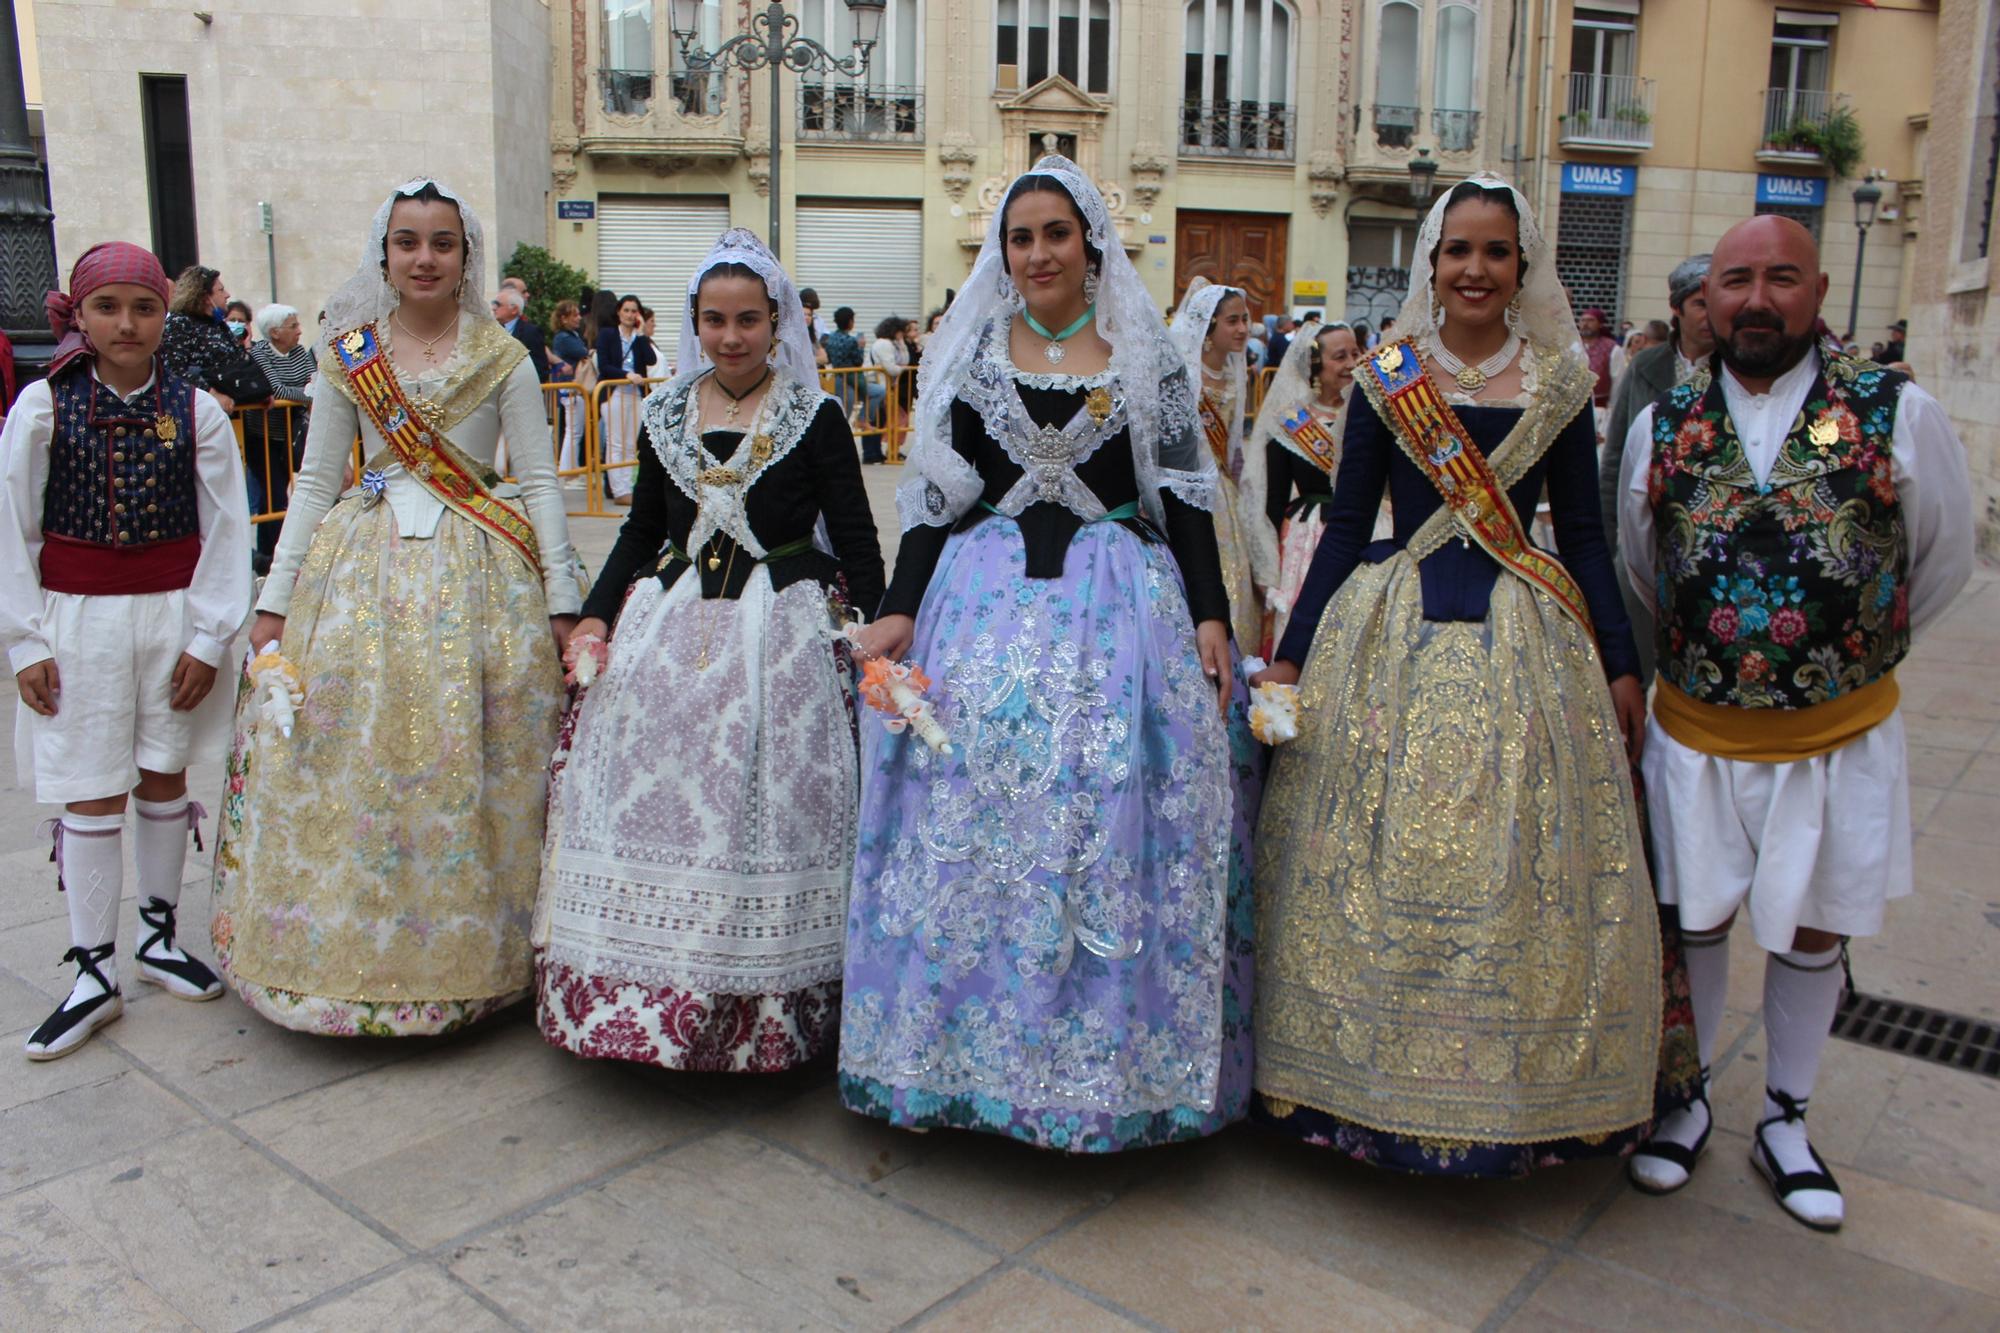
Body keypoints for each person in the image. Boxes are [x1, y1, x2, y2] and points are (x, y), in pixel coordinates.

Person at [1249, 174, 1666, 1178]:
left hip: (1526, 641)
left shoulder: (1560, 382)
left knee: (1515, 867)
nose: (1473, 269)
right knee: (1366, 862)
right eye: (1455, 252)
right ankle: (1351, 1091)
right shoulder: (1389, 375)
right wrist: (1292, 658)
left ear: (1519, 268)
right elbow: (1346, 529)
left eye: (1493, 252)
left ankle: (1518, 1099)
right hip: (1386, 636)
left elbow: (1589, 542)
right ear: (1429, 268)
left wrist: (1616, 660)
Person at [840, 155, 1258, 1152]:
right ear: (1002, 250)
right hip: (977, 609)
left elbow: (1185, 495)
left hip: (1117, 617)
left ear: (1090, 243)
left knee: (1100, 820)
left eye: (1054, 234)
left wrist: (1208, 613)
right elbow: (935, 503)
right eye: (1019, 237)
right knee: (969, 813)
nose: (1036, 253)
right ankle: (954, 1057)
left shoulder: (1144, 359)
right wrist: (898, 610)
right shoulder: (971, 356)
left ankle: (1101, 1067)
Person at [1619, 216, 1974, 1230]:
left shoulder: (1891, 409)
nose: (1755, 300)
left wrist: (1844, 644)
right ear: (1709, 297)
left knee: (1814, 926)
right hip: (1695, 732)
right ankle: (1684, 1100)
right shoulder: (1666, 419)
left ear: (1817, 291)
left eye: (1780, 278)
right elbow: (1647, 572)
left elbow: (1938, 557)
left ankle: (1785, 1115)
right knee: (1696, 915)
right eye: (1735, 280)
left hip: (1836, 735)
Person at [209, 178, 584, 1037]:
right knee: (351, 753)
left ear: (466, 257)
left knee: (475, 758)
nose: (425, 257)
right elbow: (314, 480)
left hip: (483, 572)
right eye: (408, 241)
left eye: (442, 243)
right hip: (360, 569)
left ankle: (475, 961)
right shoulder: (348, 355)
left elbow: (534, 480)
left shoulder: (507, 358)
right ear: (384, 252)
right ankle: (340, 958)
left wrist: (563, 596)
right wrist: (275, 599)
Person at [536, 230, 883, 1071]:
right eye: (715, 321)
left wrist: (873, 622)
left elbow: (859, 534)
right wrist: (594, 617)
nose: (732, 337)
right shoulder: (664, 410)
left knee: (761, 793)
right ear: (694, 322)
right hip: (672, 617)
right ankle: (633, 988)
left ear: (776, 324)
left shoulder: (816, 414)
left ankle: (758, 1003)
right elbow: (642, 531)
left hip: (784, 626)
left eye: (749, 321)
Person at [4, 243, 251, 1059]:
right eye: (107, 306)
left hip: (173, 616)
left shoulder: (197, 409)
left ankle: (155, 935)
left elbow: (223, 528)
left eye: (143, 307)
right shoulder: (42, 407)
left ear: (162, 316)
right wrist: (24, 641)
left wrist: (212, 635)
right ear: (79, 313)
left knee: (164, 770)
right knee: (88, 785)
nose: (127, 323)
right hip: (79, 620)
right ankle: (91, 968)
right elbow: (13, 530)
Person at [1597, 254, 1714, 688]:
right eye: (1699, 304)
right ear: (1677, 308)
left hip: (1708, 545)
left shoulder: (1738, 372)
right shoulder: (1646, 368)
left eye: (1716, 302)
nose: (1709, 315)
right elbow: (1615, 465)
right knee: (1631, 667)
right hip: (1644, 542)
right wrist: (1606, 548)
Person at [1242, 318, 1374, 654]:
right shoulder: (1289, 423)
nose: (1351, 364)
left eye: (1355, 353)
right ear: (1315, 364)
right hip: (1306, 539)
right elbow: (1272, 501)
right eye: (1339, 356)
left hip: (1369, 529)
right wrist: (1267, 566)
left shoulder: (1372, 414)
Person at [1171, 278, 1274, 651]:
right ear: (1208, 326)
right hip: (1189, 491)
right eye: (1233, 320)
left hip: (1225, 497)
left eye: (1245, 319)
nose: (1243, 328)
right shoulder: (1182, 376)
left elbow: (1232, 449)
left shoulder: (1235, 373)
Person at [245, 304, 316, 573]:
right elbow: (274, 388)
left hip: (292, 432)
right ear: (275, 333)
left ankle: (286, 551)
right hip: (263, 436)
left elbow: (314, 381)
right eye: (293, 326)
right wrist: (307, 395)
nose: (299, 331)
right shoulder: (260, 354)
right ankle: (267, 557)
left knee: (286, 495)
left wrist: (301, 393)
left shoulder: (298, 351)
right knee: (273, 497)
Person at [161, 266, 270, 414]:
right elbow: (174, 369)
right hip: (197, 414)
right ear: (205, 297)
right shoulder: (179, 323)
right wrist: (212, 394)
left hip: (232, 413)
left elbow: (239, 361)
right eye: (221, 290)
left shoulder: (218, 323)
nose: (227, 295)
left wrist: (259, 391)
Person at [596, 293, 657, 506]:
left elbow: (651, 359)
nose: (630, 315)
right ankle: (619, 489)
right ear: (618, 312)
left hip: (635, 394)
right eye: (626, 310)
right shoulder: (607, 335)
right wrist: (625, 375)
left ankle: (628, 487)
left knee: (631, 443)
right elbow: (604, 365)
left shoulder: (638, 338)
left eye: (634, 311)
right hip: (614, 392)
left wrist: (641, 335)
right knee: (616, 442)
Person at [550, 299, 591, 477]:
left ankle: (570, 468)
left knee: (574, 431)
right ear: (564, 318)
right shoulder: (564, 338)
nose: (578, 318)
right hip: (571, 389)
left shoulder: (572, 336)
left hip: (574, 389)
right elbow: (584, 353)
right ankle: (568, 470)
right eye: (574, 315)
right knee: (573, 432)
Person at [1578, 305, 1627, 418]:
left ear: (1600, 324)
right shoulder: (1572, 346)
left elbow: (1618, 382)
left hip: (1600, 411)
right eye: (1583, 320)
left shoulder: (1612, 348)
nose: (1585, 324)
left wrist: (1612, 410)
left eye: (1590, 320)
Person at [868, 314, 907, 453]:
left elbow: (905, 360)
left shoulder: (893, 344)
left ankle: (879, 452)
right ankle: (872, 453)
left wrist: (902, 344)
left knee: (884, 419)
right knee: (877, 419)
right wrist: (901, 369)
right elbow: (891, 368)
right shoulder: (884, 344)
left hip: (886, 386)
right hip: (879, 385)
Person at [494, 288, 550, 382]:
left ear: (514, 309)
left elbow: (540, 368)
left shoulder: (531, 332)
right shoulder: (494, 331)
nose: (494, 308)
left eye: (498, 305)